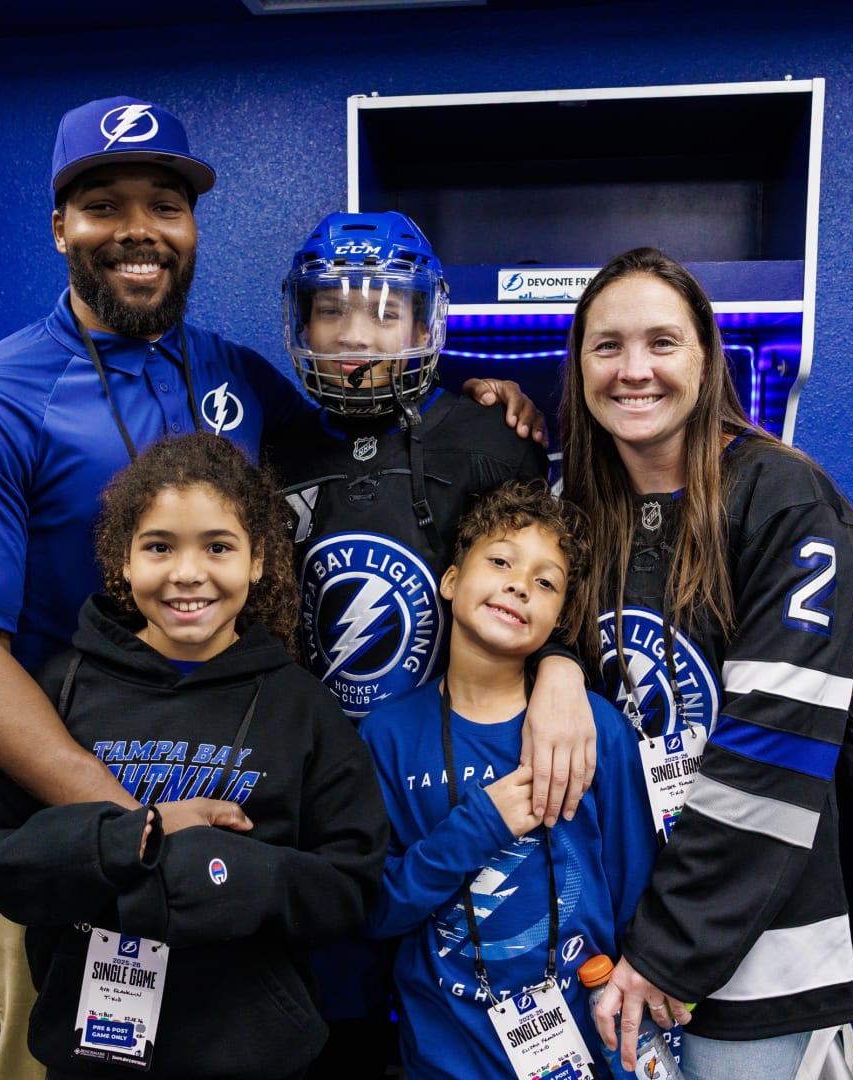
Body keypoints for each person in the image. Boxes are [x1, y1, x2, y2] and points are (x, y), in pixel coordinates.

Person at [0, 97, 546, 1079]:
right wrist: (133, 826)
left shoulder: (236, 376)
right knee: (81, 1058)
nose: (139, 229)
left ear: (193, 226)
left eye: (165, 204)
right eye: (103, 205)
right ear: (60, 226)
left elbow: (363, 426)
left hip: (245, 798)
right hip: (83, 827)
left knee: (257, 1043)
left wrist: (487, 399)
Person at [0, 432, 389, 1078]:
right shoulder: (61, 690)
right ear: (123, 559)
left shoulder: (303, 709)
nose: (187, 573)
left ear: (258, 560)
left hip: (249, 1055)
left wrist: (220, 869)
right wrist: (127, 838)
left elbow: (352, 885)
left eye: (218, 547)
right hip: (91, 1054)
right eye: (159, 547)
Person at [261, 211, 598, 1073]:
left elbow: (538, 579)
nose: (355, 333)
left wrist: (561, 665)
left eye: (384, 311)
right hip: (318, 793)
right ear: (302, 322)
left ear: (425, 321)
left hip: (445, 782)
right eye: (331, 309)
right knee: (331, 1022)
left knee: (447, 1001)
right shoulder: (275, 443)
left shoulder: (490, 439)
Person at [558, 248, 853, 1078]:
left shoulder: (784, 496)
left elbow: (777, 746)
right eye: (607, 346)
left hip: (750, 959)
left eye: (662, 342)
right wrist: (555, 665)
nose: (633, 370)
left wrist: (669, 950)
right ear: (579, 366)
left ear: (706, 358)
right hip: (607, 944)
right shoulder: (574, 509)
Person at [358, 480, 657, 1080]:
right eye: (500, 561)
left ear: (559, 618)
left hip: (588, 1048)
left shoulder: (596, 727)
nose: (520, 584)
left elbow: (636, 890)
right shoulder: (386, 736)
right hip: (447, 1058)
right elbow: (372, 912)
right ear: (450, 580)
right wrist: (476, 829)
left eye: (546, 582)